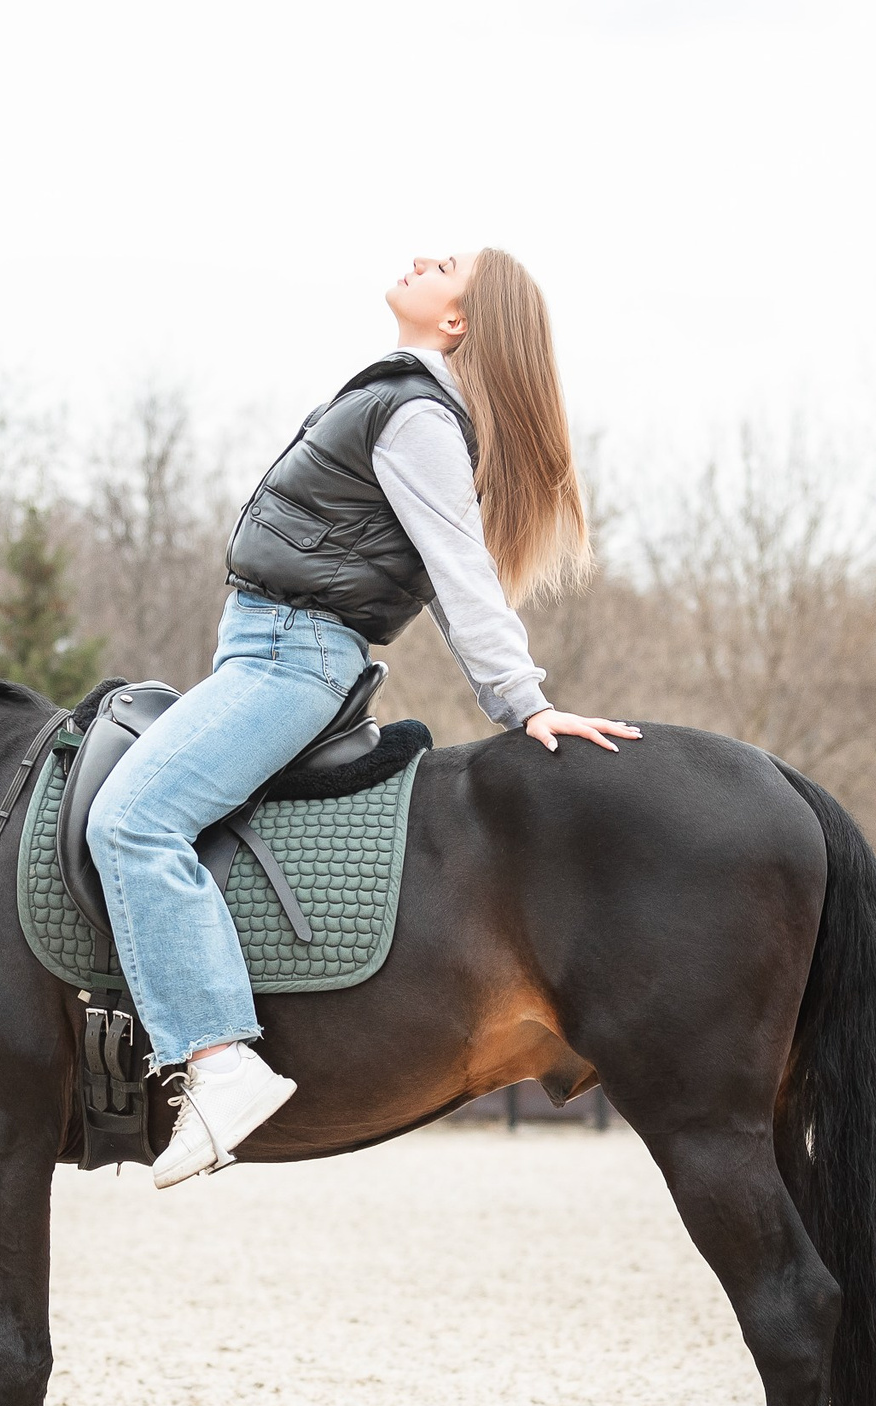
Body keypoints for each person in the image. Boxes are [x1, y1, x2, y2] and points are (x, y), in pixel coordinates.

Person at [86, 250, 642, 1188]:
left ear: (455, 323)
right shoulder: (400, 398)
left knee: (132, 820)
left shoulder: (419, 415)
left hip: (287, 657)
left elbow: (463, 571)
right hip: (261, 650)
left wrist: (524, 702)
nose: (426, 258)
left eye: (448, 267)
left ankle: (219, 1064)